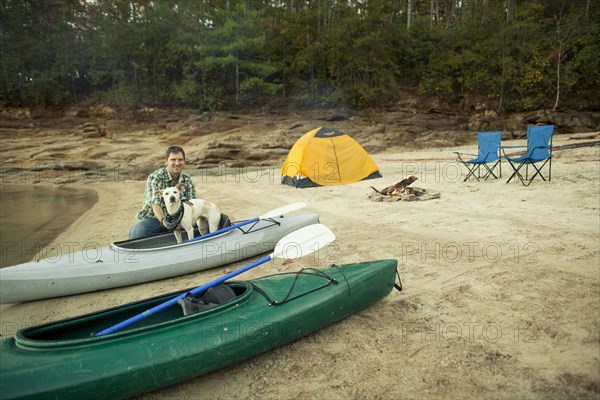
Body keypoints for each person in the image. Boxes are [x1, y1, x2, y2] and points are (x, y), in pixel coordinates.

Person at [128, 146, 197, 239]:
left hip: (181, 217)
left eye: (180, 160)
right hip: (156, 219)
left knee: (203, 222)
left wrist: (183, 219)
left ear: (184, 161)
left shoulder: (187, 179)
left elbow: (191, 202)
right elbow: (155, 204)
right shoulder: (155, 177)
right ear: (166, 161)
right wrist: (164, 221)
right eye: (173, 159)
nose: (177, 163)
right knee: (138, 232)